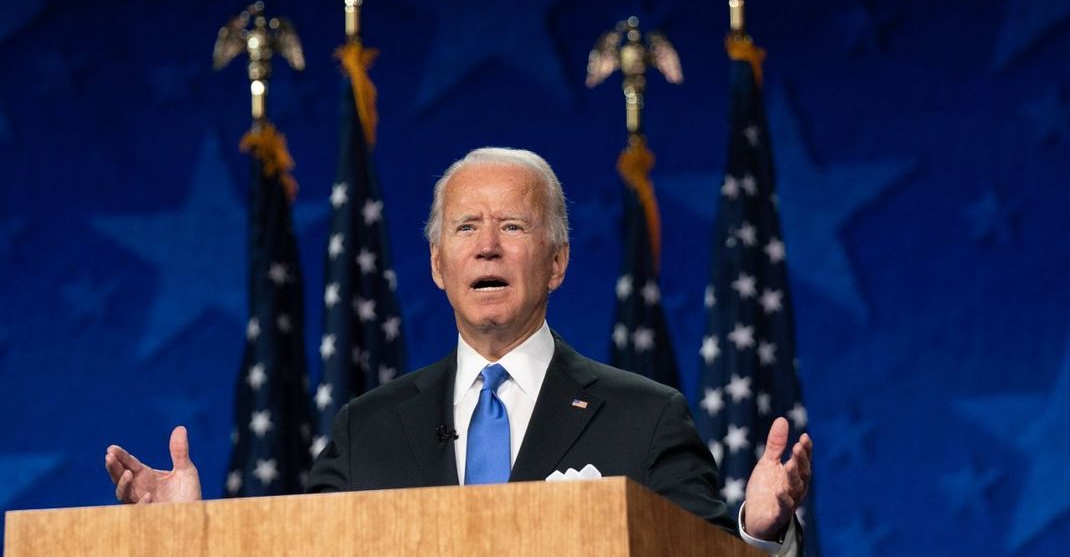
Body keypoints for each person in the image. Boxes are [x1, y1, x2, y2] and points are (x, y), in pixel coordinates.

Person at [106, 147, 812, 554]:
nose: (487, 245)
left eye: (512, 225)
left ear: (558, 262)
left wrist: (759, 528)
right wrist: (183, 539)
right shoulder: (367, 427)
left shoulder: (646, 416)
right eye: (466, 227)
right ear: (440, 265)